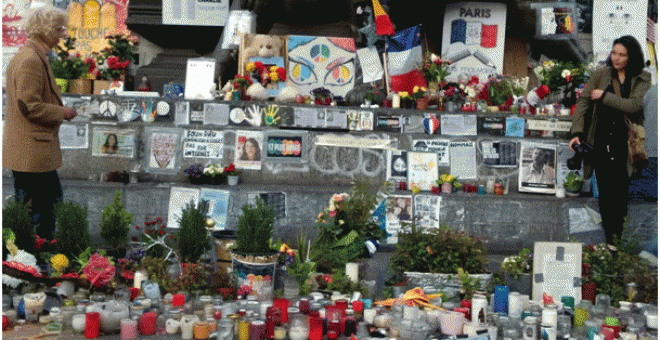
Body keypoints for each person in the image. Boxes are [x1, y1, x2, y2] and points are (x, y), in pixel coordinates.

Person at [3, 6, 78, 239]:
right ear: (44, 30)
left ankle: (29, 260)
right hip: (32, 153)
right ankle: (32, 263)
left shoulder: (32, 57)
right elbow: (30, 106)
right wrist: (62, 112)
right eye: (58, 28)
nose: (63, 34)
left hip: (33, 151)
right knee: (41, 212)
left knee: (40, 208)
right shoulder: (30, 61)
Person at [569, 35, 651, 245]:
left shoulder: (642, 77)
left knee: (620, 197)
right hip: (601, 142)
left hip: (626, 147)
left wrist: (604, 96)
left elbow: (634, 106)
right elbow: (584, 104)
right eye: (614, 52)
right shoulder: (601, 74)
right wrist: (576, 133)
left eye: (622, 54)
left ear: (632, 57)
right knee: (605, 198)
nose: (616, 58)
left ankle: (616, 244)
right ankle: (611, 245)